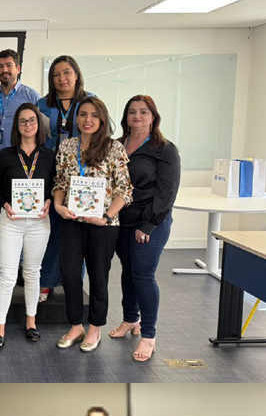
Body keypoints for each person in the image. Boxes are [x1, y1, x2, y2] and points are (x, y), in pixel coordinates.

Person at [53, 97, 134, 351]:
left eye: (94, 116)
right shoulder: (67, 146)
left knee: (98, 275)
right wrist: (57, 205)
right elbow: (60, 183)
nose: (88, 120)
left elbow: (125, 190)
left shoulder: (114, 148)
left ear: (102, 119)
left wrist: (107, 217)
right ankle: (76, 326)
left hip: (103, 224)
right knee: (69, 274)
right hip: (72, 220)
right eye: (83, 114)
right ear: (76, 119)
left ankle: (95, 328)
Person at [110, 95, 181, 362]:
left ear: (153, 116)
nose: (137, 116)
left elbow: (167, 191)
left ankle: (148, 335)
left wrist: (148, 224)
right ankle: (130, 320)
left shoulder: (164, 149)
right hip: (121, 220)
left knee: (143, 274)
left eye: (143, 112)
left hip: (150, 222)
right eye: (132, 112)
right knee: (128, 270)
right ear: (126, 117)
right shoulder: (116, 145)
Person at [0, 103, 54, 349]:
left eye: (32, 120)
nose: (28, 125)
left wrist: (48, 200)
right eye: (23, 121)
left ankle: (31, 322)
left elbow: (56, 186)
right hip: (11, 222)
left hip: (39, 223)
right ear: (17, 125)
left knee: (32, 273)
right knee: (7, 275)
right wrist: (4, 204)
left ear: (38, 124)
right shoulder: (5, 155)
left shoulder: (49, 156)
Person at [35, 55, 96, 303]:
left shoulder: (89, 101)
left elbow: (101, 134)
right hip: (50, 174)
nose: (62, 78)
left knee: (77, 233)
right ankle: (46, 282)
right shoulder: (42, 104)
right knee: (51, 231)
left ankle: (74, 284)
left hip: (82, 177)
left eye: (67, 72)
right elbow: (35, 137)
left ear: (77, 75)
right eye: (57, 74)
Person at [0, 49, 41, 284]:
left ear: (18, 68)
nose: (4, 70)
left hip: (22, 166)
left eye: (9, 65)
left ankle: (21, 266)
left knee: (24, 216)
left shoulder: (31, 96)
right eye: (0, 66)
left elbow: (39, 130)